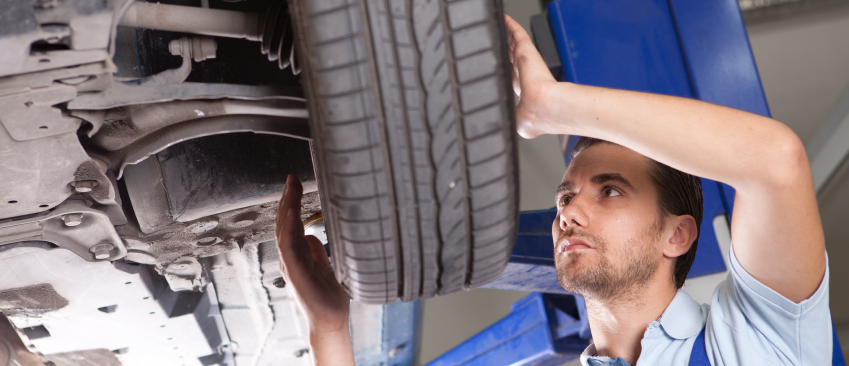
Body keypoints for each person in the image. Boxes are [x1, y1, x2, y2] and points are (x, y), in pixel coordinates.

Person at [274, 14, 831, 366]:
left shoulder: (762, 342)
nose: (568, 212)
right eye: (566, 197)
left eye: (609, 191)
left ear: (677, 234)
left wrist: (554, 105)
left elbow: (774, 161)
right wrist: (328, 327)